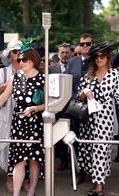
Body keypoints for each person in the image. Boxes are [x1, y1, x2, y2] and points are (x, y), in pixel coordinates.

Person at [0, 39, 45, 196]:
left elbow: (51, 104)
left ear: (33, 60)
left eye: (24, 59)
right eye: (19, 59)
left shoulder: (43, 78)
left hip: (35, 123)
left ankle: (31, 191)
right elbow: (2, 98)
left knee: (33, 160)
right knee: (18, 161)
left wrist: (34, 108)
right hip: (18, 123)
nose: (20, 62)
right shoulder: (15, 78)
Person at [77, 41, 119, 196]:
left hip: (105, 119)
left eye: (103, 56)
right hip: (88, 119)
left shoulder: (115, 75)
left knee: (101, 149)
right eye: (96, 56)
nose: (99, 59)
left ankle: (100, 188)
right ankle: (95, 185)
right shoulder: (88, 76)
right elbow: (78, 97)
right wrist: (84, 92)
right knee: (90, 150)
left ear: (108, 57)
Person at [0, 40, 21, 192]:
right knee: (7, 144)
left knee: (23, 145)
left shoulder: (28, 69)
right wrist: (9, 83)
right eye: (15, 52)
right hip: (7, 114)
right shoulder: (3, 72)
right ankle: (10, 177)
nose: (18, 54)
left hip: (25, 115)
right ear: (10, 55)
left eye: (20, 51)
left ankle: (24, 177)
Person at [66, 33, 94, 185]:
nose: (85, 47)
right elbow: (67, 83)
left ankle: (93, 171)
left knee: (92, 140)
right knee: (76, 140)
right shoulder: (72, 62)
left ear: (92, 44)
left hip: (94, 107)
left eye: (88, 44)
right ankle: (79, 172)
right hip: (76, 108)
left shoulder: (98, 60)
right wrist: (75, 99)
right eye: (82, 44)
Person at [49, 42, 72, 171]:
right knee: (57, 133)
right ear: (58, 54)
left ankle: (75, 159)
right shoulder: (51, 68)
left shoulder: (74, 66)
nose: (64, 55)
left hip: (71, 106)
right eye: (62, 52)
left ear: (71, 54)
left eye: (67, 52)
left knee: (72, 132)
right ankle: (64, 160)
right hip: (56, 106)